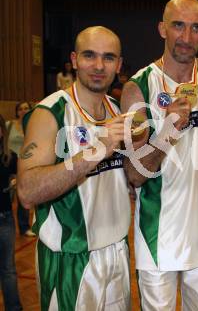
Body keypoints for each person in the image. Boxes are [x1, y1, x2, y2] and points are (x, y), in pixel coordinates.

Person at [121, 0, 198, 311]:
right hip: (157, 232)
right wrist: (170, 129)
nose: (186, 38)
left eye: (195, 28)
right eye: (178, 26)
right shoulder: (140, 87)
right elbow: (134, 174)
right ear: (162, 29)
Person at [17, 26, 131, 310]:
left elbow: (129, 178)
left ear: (118, 65)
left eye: (108, 57)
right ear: (75, 59)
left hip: (117, 250)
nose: (98, 66)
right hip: (70, 258)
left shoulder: (119, 110)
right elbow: (27, 192)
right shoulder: (50, 112)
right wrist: (97, 151)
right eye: (89, 55)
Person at [0, 114, 23, 311]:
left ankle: (14, 307)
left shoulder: (9, 157)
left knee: (8, 270)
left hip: (5, 218)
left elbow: (20, 177)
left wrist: (16, 183)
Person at [7, 101, 34, 237]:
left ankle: (24, 227)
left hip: (26, 165)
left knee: (24, 195)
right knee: (8, 196)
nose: (23, 111)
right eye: (21, 109)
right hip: (9, 165)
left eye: (26, 108)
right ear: (17, 111)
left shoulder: (34, 126)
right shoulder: (9, 125)